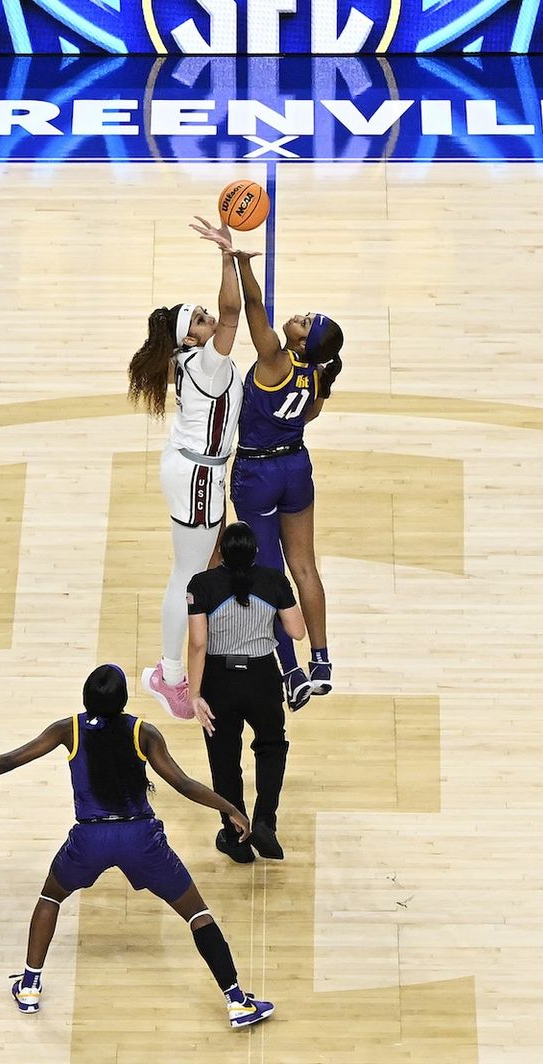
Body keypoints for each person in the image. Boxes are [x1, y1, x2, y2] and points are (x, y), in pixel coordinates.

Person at [0, 665, 275, 1029]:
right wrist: (230, 807)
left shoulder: (68, 729)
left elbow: (11, 760)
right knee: (196, 914)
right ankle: (236, 1001)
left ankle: (29, 987)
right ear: (123, 700)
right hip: (140, 839)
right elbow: (183, 784)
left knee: (50, 898)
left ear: (85, 697)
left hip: (90, 838)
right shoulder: (144, 732)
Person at [209, 237, 342, 710]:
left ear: (302, 341)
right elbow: (310, 417)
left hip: (258, 472)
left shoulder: (274, 359)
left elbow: (253, 307)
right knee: (304, 565)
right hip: (296, 465)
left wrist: (242, 263)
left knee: (268, 573)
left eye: (304, 321)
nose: (298, 315)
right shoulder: (319, 373)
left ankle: (291, 671)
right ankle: (322, 660)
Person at [129, 219, 242, 721]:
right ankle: (169, 676)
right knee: (186, 575)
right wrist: (228, 256)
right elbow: (233, 311)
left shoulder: (189, 361)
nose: (209, 320)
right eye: (199, 319)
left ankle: (186, 656)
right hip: (198, 475)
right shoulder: (206, 363)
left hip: (196, 469)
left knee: (194, 566)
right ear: (189, 338)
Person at [187, 522, 306, 862]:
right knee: (271, 746)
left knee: (224, 759)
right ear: (256, 553)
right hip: (262, 677)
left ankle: (235, 835)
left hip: (218, 680)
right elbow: (297, 631)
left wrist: (195, 694)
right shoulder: (274, 581)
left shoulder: (201, 585)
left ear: (221, 552)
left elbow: (198, 643)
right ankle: (265, 821)